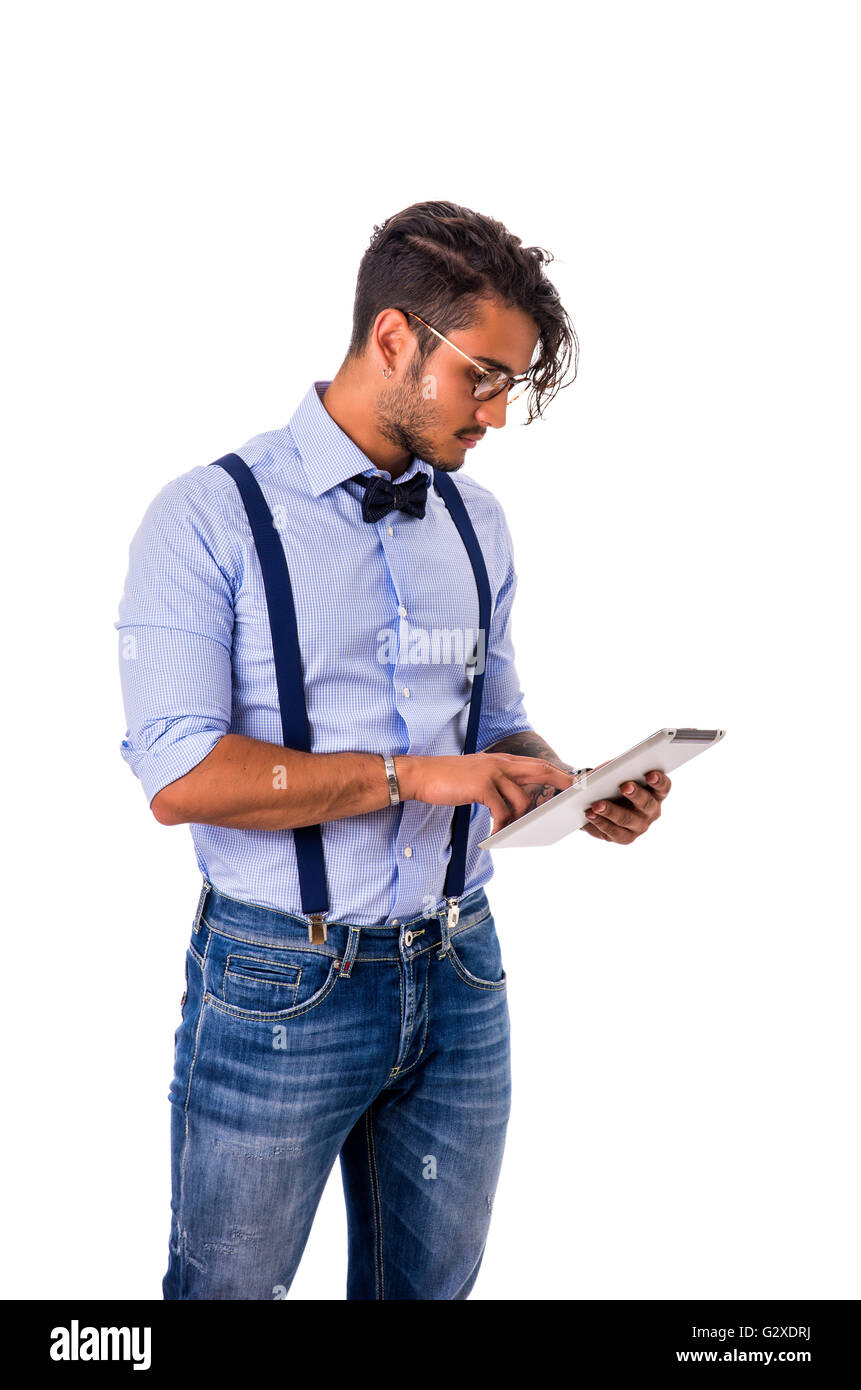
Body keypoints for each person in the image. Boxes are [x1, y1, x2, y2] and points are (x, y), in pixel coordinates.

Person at [115, 199, 671, 1301]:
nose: (499, 415)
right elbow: (180, 779)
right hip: (281, 978)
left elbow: (493, 719)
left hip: (463, 970)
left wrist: (562, 784)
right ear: (393, 340)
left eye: (512, 385)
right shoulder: (206, 519)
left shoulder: (478, 524)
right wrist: (412, 778)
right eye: (485, 377)